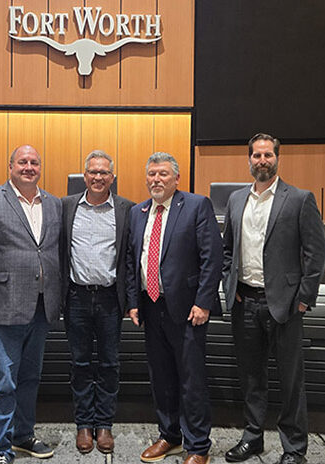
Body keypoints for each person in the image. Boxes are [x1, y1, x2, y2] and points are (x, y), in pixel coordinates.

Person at [221, 133, 325, 464]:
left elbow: (317, 252)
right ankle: (252, 438)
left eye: (268, 155)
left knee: (290, 381)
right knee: (251, 378)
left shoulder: (298, 198)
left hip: (284, 305)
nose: (262, 160)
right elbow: (228, 250)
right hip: (246, 303)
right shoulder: (236, 200)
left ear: (277, 159)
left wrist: (303, 299)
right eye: (257, 155)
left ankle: (294, 449)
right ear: (249, 159)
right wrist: (231, 286)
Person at [0, 145, 63, 464]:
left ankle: (22, 435)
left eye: (34, 162)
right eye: (23, 162)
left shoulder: (54, 203)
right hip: (1, 306)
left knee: (30, 378)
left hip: (42, 306)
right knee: (2, 382)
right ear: (10, 166)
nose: (29, 167)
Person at [126, 152, 223, 464]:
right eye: (152, 174)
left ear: (177, 179)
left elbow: (213, 258)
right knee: (161, 376)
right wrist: (132, 302)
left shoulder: (196, 205)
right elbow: (132, 262)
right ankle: (169, 436)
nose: (156, 179)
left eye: (163, 174)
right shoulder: (138, 212)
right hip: (151, 306)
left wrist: (203, 302)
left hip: (187, 309)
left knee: (190, 379)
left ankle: (198, 446)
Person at [60, 150, 134, 454]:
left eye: (104, 173)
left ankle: (104, 424)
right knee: (79, 363)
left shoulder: (126, 209)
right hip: (76, 296)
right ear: (84, 175)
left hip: (109, 298)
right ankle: (83, 426)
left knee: (108, 364)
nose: (98, 177)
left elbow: (130, 258)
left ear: (112, 177)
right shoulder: (65, 206)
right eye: (93, 172)